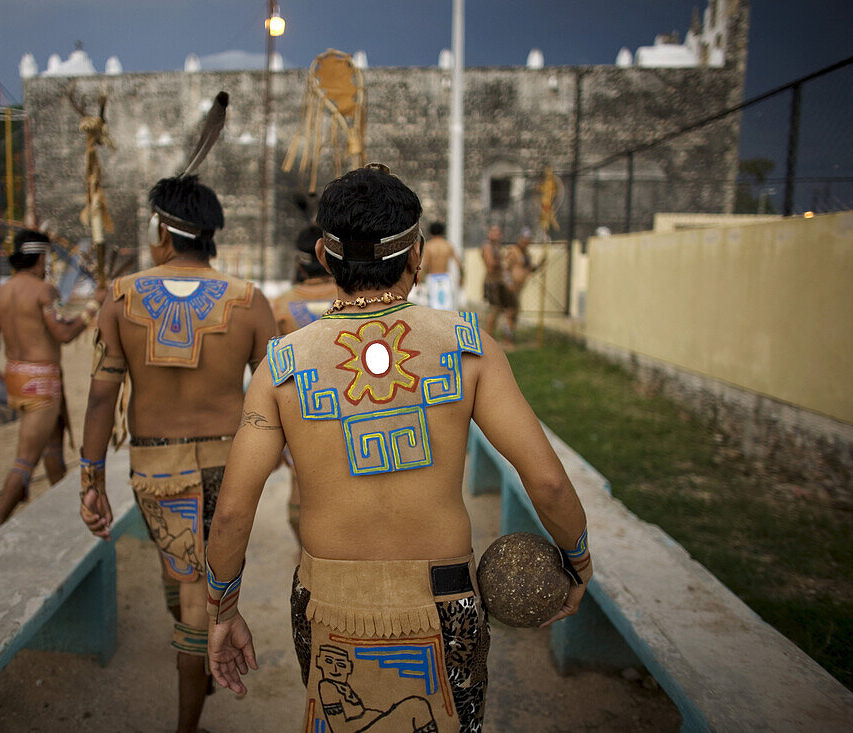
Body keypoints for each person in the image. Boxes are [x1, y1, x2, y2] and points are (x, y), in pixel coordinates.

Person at [204, 165, 593, 732]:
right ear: (415, 255)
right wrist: (577, 562)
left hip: (327, 599)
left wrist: (223, 609)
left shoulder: (282, 366)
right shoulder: (467, 347)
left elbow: (235, 510)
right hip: (447, 598)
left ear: (324, 252)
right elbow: (549, 483)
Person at [78, 174, 276, 733]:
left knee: (189, 595)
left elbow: (100, 395)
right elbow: (274, 398)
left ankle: (186, 725)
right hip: (230, 466)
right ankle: (200, 665)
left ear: (160, 230)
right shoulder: (249, 301)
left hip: (156, 472)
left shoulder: (119, 299)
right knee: (197, 590)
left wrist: (89, 479)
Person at [0, 229, 102, 536]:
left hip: (16, 378)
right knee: (26, 460)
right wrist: (92, 308)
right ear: (39, 258)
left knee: (51, 451)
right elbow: (63, 333)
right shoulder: (43, 292)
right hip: (42, 381)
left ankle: (72, 515)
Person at [271, 225, 339, 543]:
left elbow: (267, 370)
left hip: (299, 414)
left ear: (299, 265)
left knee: (300, 486)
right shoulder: (352, 299)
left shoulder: (281, 306)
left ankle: (306, 554)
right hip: (354, 412)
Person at [507, 227, 546, 335]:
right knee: (510, 312)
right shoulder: (514, 251)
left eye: (527, 240)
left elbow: (529, 269)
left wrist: (540, 265)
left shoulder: (527, 254)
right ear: (519, 239)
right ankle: (507, 338)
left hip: (519, 287)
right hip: (512, 287)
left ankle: (510, 336)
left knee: (514, 312)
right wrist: (509, 284)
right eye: (523, 239)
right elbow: (506, 268)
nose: (525, 242)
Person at [481, 224, 516, 341]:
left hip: (501, 282)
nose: (496, 234)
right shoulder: (487, 247)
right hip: (492, 282)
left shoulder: (497, 247)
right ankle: (488, 339)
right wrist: (504, 260)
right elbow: (490, 266)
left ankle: (505, 338)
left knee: (508, 309)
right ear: (489, 234)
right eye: (493, 232)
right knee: (494, 310)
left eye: (498, 232)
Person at [420, 221, 463, 311]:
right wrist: (462, 279)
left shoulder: (429, 246)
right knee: (448, 308)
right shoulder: (447, 245)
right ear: (443, 232)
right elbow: (459, 264)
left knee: (434, 309)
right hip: (446, 278)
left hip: (432, 278)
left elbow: (424, 266)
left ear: (430, 232)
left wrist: (419, 281)